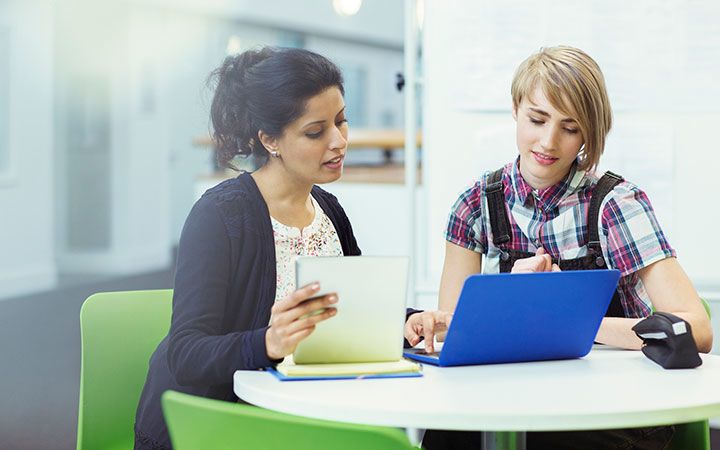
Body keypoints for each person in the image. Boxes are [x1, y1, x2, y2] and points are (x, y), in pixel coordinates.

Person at [405, 46, 713, 450]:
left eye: (570, 128)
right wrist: (508, 300)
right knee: (448, 438)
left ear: (588, 134)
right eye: (537, 119)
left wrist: (564, 321)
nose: (548, 142)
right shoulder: (475, 205)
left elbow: (697, 330)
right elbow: (457, 335)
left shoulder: (615, 205)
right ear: (515, 108)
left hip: (615, 409)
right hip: (512, 401)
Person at [133, 47, 359, 450]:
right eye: (315, 131)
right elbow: (185, 354)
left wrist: (405, 322)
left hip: (306, 410)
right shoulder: (219, 216)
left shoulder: (329, 210)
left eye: (341, 121)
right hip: (218, 424)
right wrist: (268, 343)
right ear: (270, 139)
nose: (339, 141)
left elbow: (354, 309)